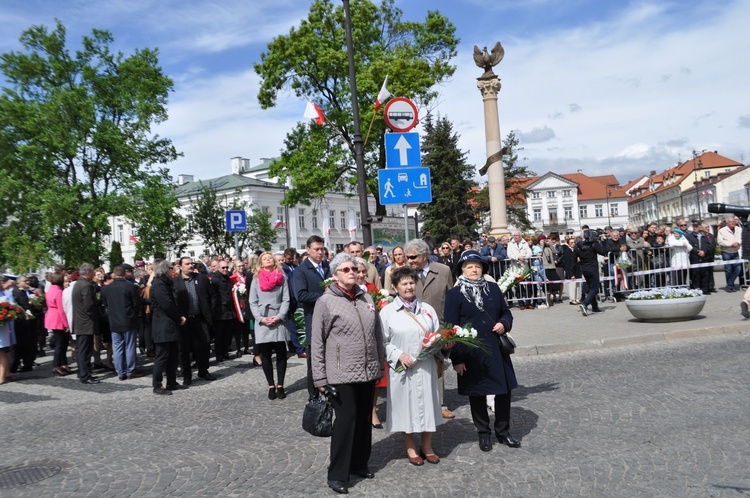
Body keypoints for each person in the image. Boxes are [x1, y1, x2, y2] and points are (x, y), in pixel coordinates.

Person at [310, 252, 385, 495]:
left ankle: (359, 464)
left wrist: (379, 363)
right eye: (345, 269)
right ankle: (337, 474)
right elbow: (317, 343)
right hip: (340, 373)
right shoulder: (325, 301)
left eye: (354, 268)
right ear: (334, 275)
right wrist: (319, 378)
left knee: (363, 419)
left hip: (368, 370)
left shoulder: (366, 298)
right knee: (346, 421)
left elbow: (377, 334)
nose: (352, 272)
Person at [444, 250, 519, 452]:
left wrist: (504, 323)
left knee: (504, 391)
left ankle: (503, 432)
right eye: (469, 266)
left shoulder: (493, 289)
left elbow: (506, 312)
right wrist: (457, 359)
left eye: (477, 266)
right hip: (471, 351)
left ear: (482, 268)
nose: (474, 269)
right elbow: (451, 328)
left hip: (496, 348)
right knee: (477, 394)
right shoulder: (454, 294)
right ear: (462, 270)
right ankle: (483, 433)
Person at [380, 266, 444, 465]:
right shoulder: (387, 312)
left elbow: (437, 334)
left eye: (411, 283)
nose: (408, 287)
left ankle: (427, 446)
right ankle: (410, 446)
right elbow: (381, 342)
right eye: (404, 283)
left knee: (428, 405)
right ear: (395, 286)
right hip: (402, 368)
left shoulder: (427, 309)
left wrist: (437, 343)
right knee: (404, 407)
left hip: (426, 366)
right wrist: (398, 354)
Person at [404, 238, 456, 419]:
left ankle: (440, 403)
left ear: (424, 255)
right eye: (407, 257)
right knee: (415, 366)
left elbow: (451, 301)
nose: (409, 261)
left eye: (413, 257)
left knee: (438, 365)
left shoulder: (443, 271)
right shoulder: (405, 273)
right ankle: (417, 403)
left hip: (438, 327)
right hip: (412, 327)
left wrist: (450, 331)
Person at [293, 235, 331, 399]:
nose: (320, 252)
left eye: (322, 249)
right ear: (308, 250)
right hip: (313, 318)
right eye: (316, 249)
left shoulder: (329, 267)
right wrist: (324, 296)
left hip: (332, 319)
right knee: (314, 360)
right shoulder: (301, 270)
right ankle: (314, 393)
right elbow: (300, 295)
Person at [249, 252, 291, 400]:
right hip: (263, 319)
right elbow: (252, 302)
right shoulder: (256, 279)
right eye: (264, 258)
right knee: (265, 354)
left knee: (281, 354)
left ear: (274, 261)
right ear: (260, 262)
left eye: (269, 258)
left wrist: (280, 316)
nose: (267, 260)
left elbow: (286, 299)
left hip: (279, 318)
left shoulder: (282, 276)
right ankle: (271, 385)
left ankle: (280, 385)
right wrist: (260, 319)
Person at [173, 257, 216, 385]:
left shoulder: (201, 278)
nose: (190, 265)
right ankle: (187, 375)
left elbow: (212, 295)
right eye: (187, 264)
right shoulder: (175, 282)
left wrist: (209, 310)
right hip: (184, 320)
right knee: (184, 349)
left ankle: (203, 370)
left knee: (204, 345)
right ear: (180, 266)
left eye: (191, 263)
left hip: (200, 318)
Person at [101, 266, 144, 381]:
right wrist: (134, 314)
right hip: (128, 320)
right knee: (130, 346)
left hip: (114, 321)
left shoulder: (107, 289)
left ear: (114, 275)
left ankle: (120, 372)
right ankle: (130, 371)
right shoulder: (130, 286)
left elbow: (105, 304)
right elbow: (136, 303)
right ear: (125, 274)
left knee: (117, 347)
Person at [150, 259, 185, 395]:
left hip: (170, 324)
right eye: (171, 268)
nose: (173, 270)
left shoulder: (165, 283)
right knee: (162, 356)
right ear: (165, 270)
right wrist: (179, 317)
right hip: (163, 325)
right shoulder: (159, 285)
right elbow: (167, 304)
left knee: (173, 355)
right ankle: (157, 385)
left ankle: (171, 382)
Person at [71, 263, 100, 384]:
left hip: (80, 322)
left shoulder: (78, 283)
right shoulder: (85, 285)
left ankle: (84, 372)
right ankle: (85, 375)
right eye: (92, 272)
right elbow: (89, 305)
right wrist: (96, 314)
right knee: (84, 350)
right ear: (88, 273)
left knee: (82, 350)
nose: (93, 274)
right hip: (86, 322)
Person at [45, 272, 70, 377]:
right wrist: (66, 324)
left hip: (51, 316)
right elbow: (61, 310)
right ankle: (57, 365)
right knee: (60, 344)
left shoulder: (51, 289)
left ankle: (63, 364)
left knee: (62, 343)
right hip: (58, 318)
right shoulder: (59, 291)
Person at [717, 216, 742, 292]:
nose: (733, 223)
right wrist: (731, 244)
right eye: (731, 222)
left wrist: (738, 242)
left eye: (734, 222)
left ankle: (729, 283)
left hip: (735, 251)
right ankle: (730, 286)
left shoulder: (739, 229)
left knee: (738, 269)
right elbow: (720, 241)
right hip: (726, 252)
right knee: (728, 270)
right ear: (727, 223)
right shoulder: (722, 230)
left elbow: (742, 238)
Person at [0, 276, 17, 384]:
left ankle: (2, 376)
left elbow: (12, 312)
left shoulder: (5, 296)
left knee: (2, 353)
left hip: (3, 329)